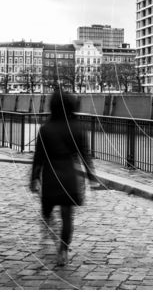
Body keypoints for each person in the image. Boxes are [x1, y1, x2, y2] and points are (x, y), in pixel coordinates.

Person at [30, 89, 98, 266]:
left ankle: (48, 232)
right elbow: (84, 154)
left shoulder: (45, 129)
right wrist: (91, 176)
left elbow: (39, 157)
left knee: (46, 211)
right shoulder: (77, 128)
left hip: (51, 176)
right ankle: (63, 251)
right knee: (68, 216)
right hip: (69, 176)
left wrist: (34, 178)